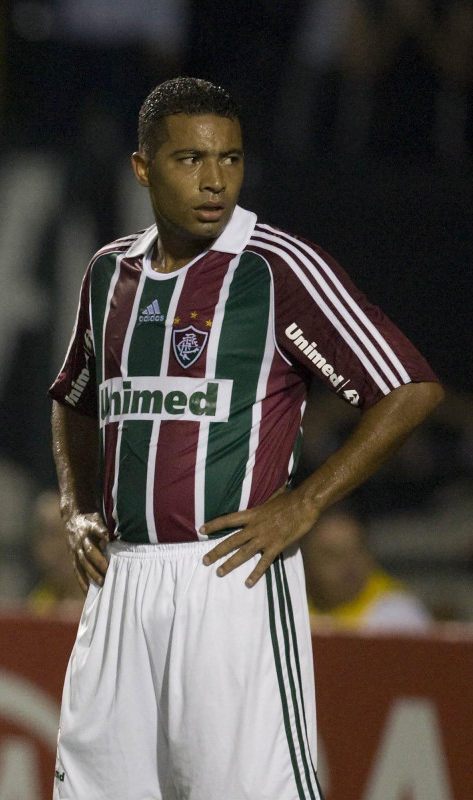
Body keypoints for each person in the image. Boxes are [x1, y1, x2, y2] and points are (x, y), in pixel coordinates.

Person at [47, 76, 443, 799]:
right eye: (191, 159)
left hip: (229, 579)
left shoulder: (275, 266)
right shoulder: (110, 273)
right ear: (143, 168)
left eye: (229, 159)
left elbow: (410, 389)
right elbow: (73, 398)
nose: (215, 180)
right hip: (119, 583)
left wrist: (307, 501)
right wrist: (75, 507)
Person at [302, 503, 431, 631]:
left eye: (357, 551)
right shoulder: (293, 613)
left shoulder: (399, 615)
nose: (349, 565)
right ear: (305, 564)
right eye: (333, 556)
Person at [25, 490, 86, 620]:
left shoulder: (117, 606)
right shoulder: (37, 607)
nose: (57, 548)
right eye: (50, 535)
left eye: (70, 534)